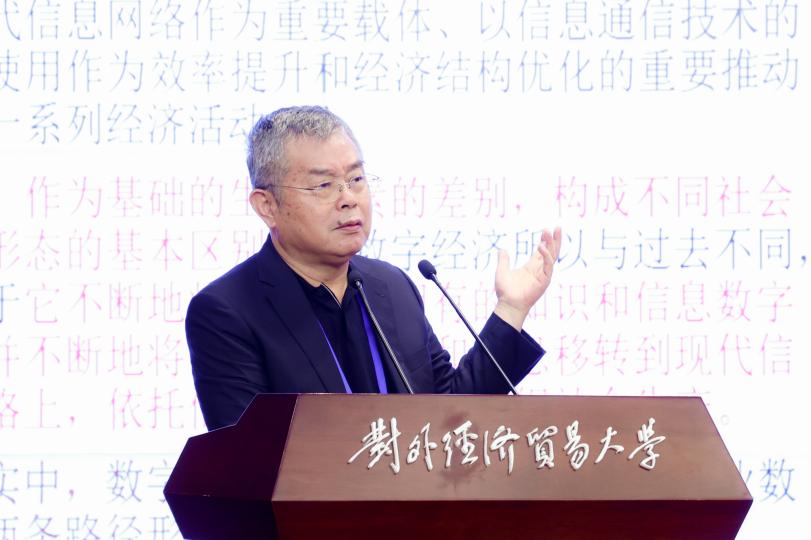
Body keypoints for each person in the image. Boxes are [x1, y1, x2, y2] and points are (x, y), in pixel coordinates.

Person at [185, 106, 562, 430]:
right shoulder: (227, 311)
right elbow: (248, 459)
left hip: (414, 496)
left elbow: (450, 412)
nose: (348, 198)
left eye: (355, 179)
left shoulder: (391, 286)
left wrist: (511, 309)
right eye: (324, 185)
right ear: (267, 206)